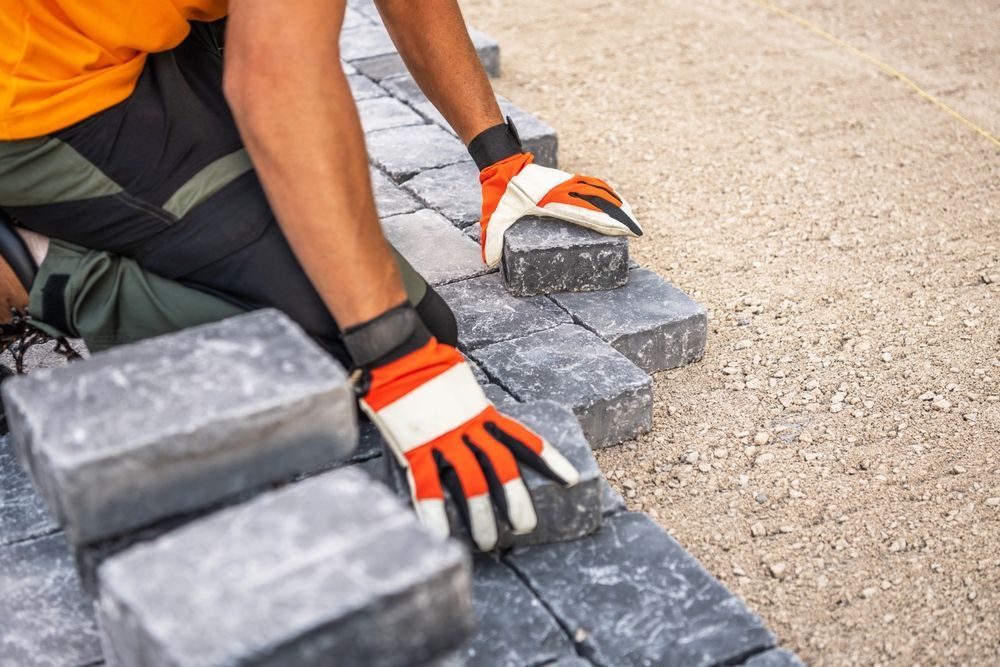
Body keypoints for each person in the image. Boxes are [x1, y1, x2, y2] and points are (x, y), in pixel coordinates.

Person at [0, 0, 642, 550]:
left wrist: (499, 159)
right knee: (339, 351)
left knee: (416, 320)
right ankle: (35, 268)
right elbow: (278, 77)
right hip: (27, 100)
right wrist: (398, 358)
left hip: (126, 45)